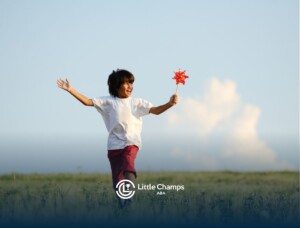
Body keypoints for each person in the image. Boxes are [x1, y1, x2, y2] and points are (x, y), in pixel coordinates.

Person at [57, 69, 178, 208]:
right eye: (126, 83)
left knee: (128, 165)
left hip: (131, 143)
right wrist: (71, 89)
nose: (129, 86)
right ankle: (122, 207)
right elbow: (87, 102)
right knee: (117, 181)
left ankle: (130, 198)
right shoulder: (108, 102)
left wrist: (169, 104)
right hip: (113, 146)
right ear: (116, 86)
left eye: (131, 83)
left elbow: (156, 111)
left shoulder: (137, 102)